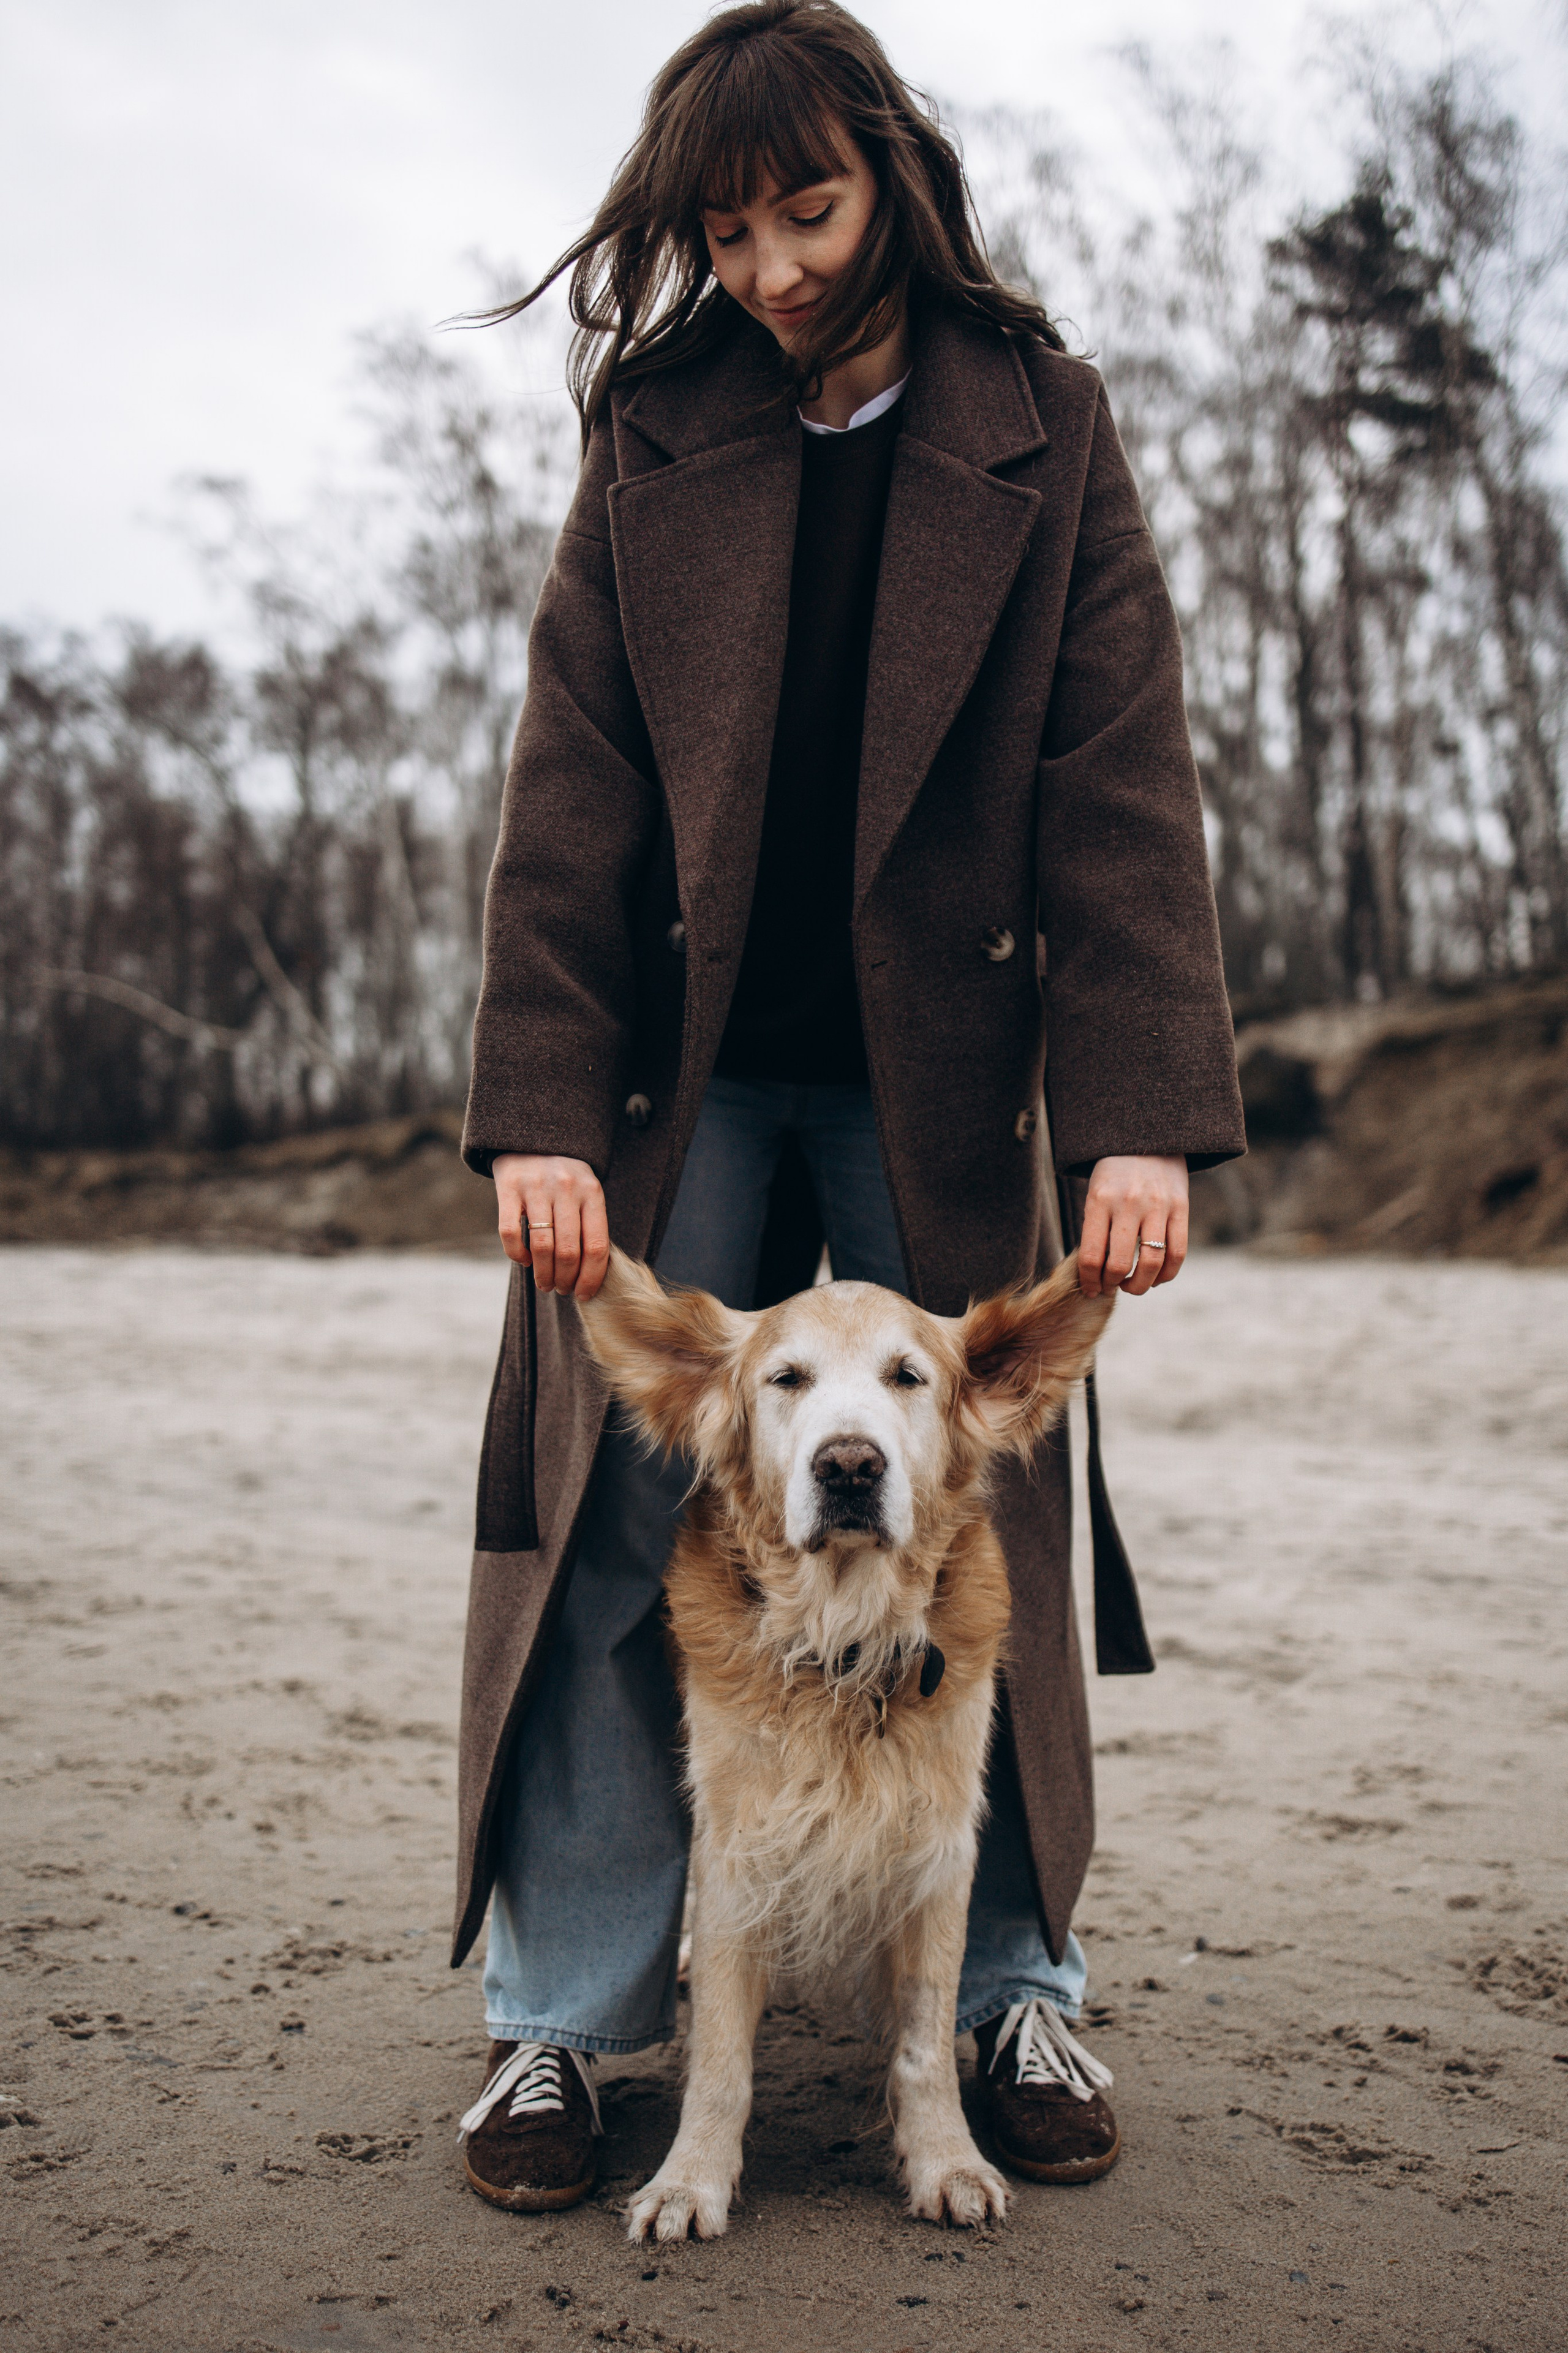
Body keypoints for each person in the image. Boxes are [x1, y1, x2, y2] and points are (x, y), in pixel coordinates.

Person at [450, 0, 1244, 2219]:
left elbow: (1116, 785)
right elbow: (573, 788)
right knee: (619, 1519)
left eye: (807, 206)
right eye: (729, 226)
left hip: (946, 1063)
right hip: (667, 1071)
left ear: (891, 165)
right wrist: (535, 1099)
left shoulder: (1041, 424)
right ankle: (561, 2021)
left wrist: (1145, 1113)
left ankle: (1014, 1977)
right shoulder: (658, 425)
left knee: (986, 1501)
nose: (777, 265)